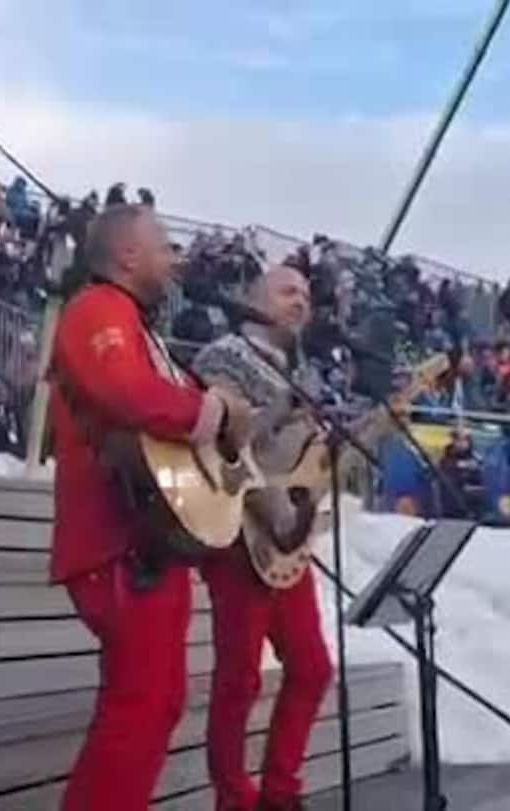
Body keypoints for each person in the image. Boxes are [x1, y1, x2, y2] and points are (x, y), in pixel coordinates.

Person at [47, 204, 252, 810]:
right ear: (128, 256)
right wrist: (208, 412)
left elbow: (173, 400)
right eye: (163, 246)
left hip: (146, 543)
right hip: (117, 543)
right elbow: (126, 392)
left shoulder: (137, 326)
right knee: (138, 707)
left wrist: (227, 416)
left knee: (156, 703)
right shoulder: (96, 310)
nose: (174, 259)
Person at [191, 265, 334, 811]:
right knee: (239, 678)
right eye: (287, 291)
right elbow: (221, 444)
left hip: (285, 544)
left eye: (305, 294)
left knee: (312, 666)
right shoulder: (223, 357)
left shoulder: (304, 372)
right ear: (254, 300)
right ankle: (234, 799)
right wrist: (270, 506)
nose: (300, 302)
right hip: (237, 534)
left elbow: (298, 458)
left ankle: (281, 792)